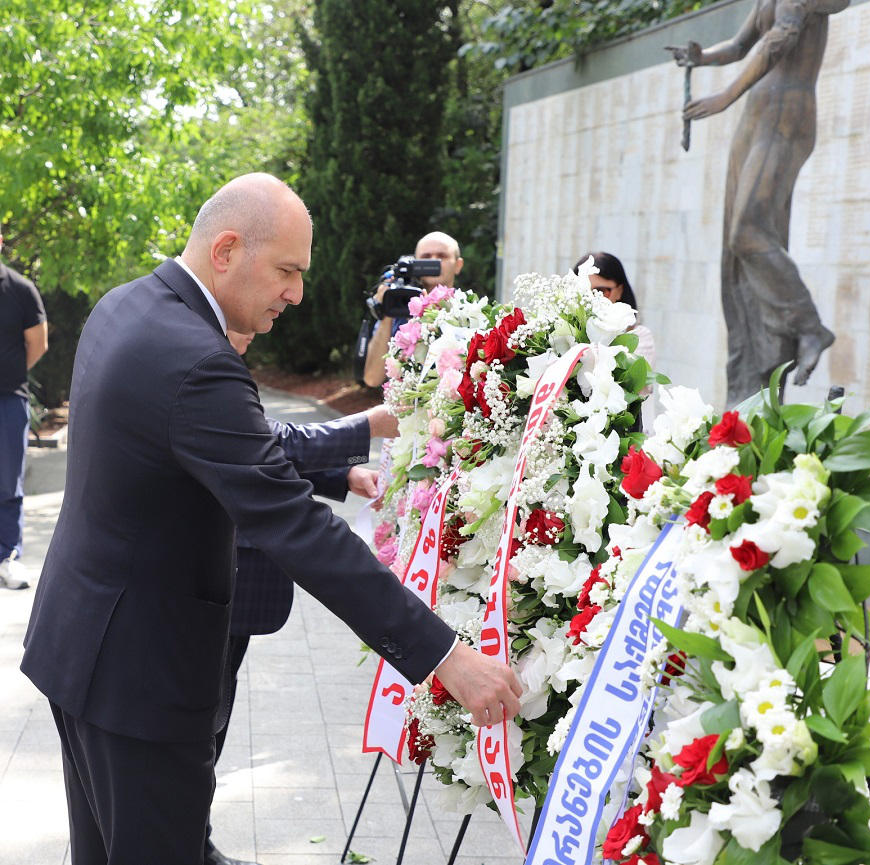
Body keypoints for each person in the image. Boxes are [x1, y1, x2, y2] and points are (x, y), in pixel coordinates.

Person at [21, 173, 521, 865]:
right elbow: (298, 530)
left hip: (84, 649)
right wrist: (448, 655)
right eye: (287, 270)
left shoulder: (130, 306)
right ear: (227, 249)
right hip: (142, 679)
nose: (297, 293)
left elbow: (207, 445)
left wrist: (333, 468)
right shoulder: (197, 359)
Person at [205, 331, 386, 865]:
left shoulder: (218, 349)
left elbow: (250, 444)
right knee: (200, 720)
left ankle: (194, 837)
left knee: (214, 711)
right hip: (209, 573)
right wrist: (367, 426)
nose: (287, 301)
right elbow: (265, 438)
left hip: (233, 578)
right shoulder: (197, 354)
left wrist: (340, 473)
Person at [667, 0, 844, 405]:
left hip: (786, 113)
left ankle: (808, 325)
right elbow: (742, 44)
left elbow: (777, 44)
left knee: (747, 231)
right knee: (735, 250)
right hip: (757, 115)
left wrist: (724, 96)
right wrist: (702, 56)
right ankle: (750, 381)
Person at [0, 229, 48, 591]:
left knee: (7, 482)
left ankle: (6, 557)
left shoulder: (19, 289)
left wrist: (11, 373)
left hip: (8, 400)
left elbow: (38, 343)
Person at [362, 230, 463, 388]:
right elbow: (372, 378)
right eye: (426, 257)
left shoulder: (469, 311)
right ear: (414, 264)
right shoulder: (398, 310)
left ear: (458, 265)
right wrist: (389, 308)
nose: (433, 261)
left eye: (442, 256)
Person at [573, 251, 655, 368]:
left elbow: (640, 385)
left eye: (601, 291)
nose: (590, 299)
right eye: (583, 292)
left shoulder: (639, 337)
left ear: (619, 290)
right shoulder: (564, 332)